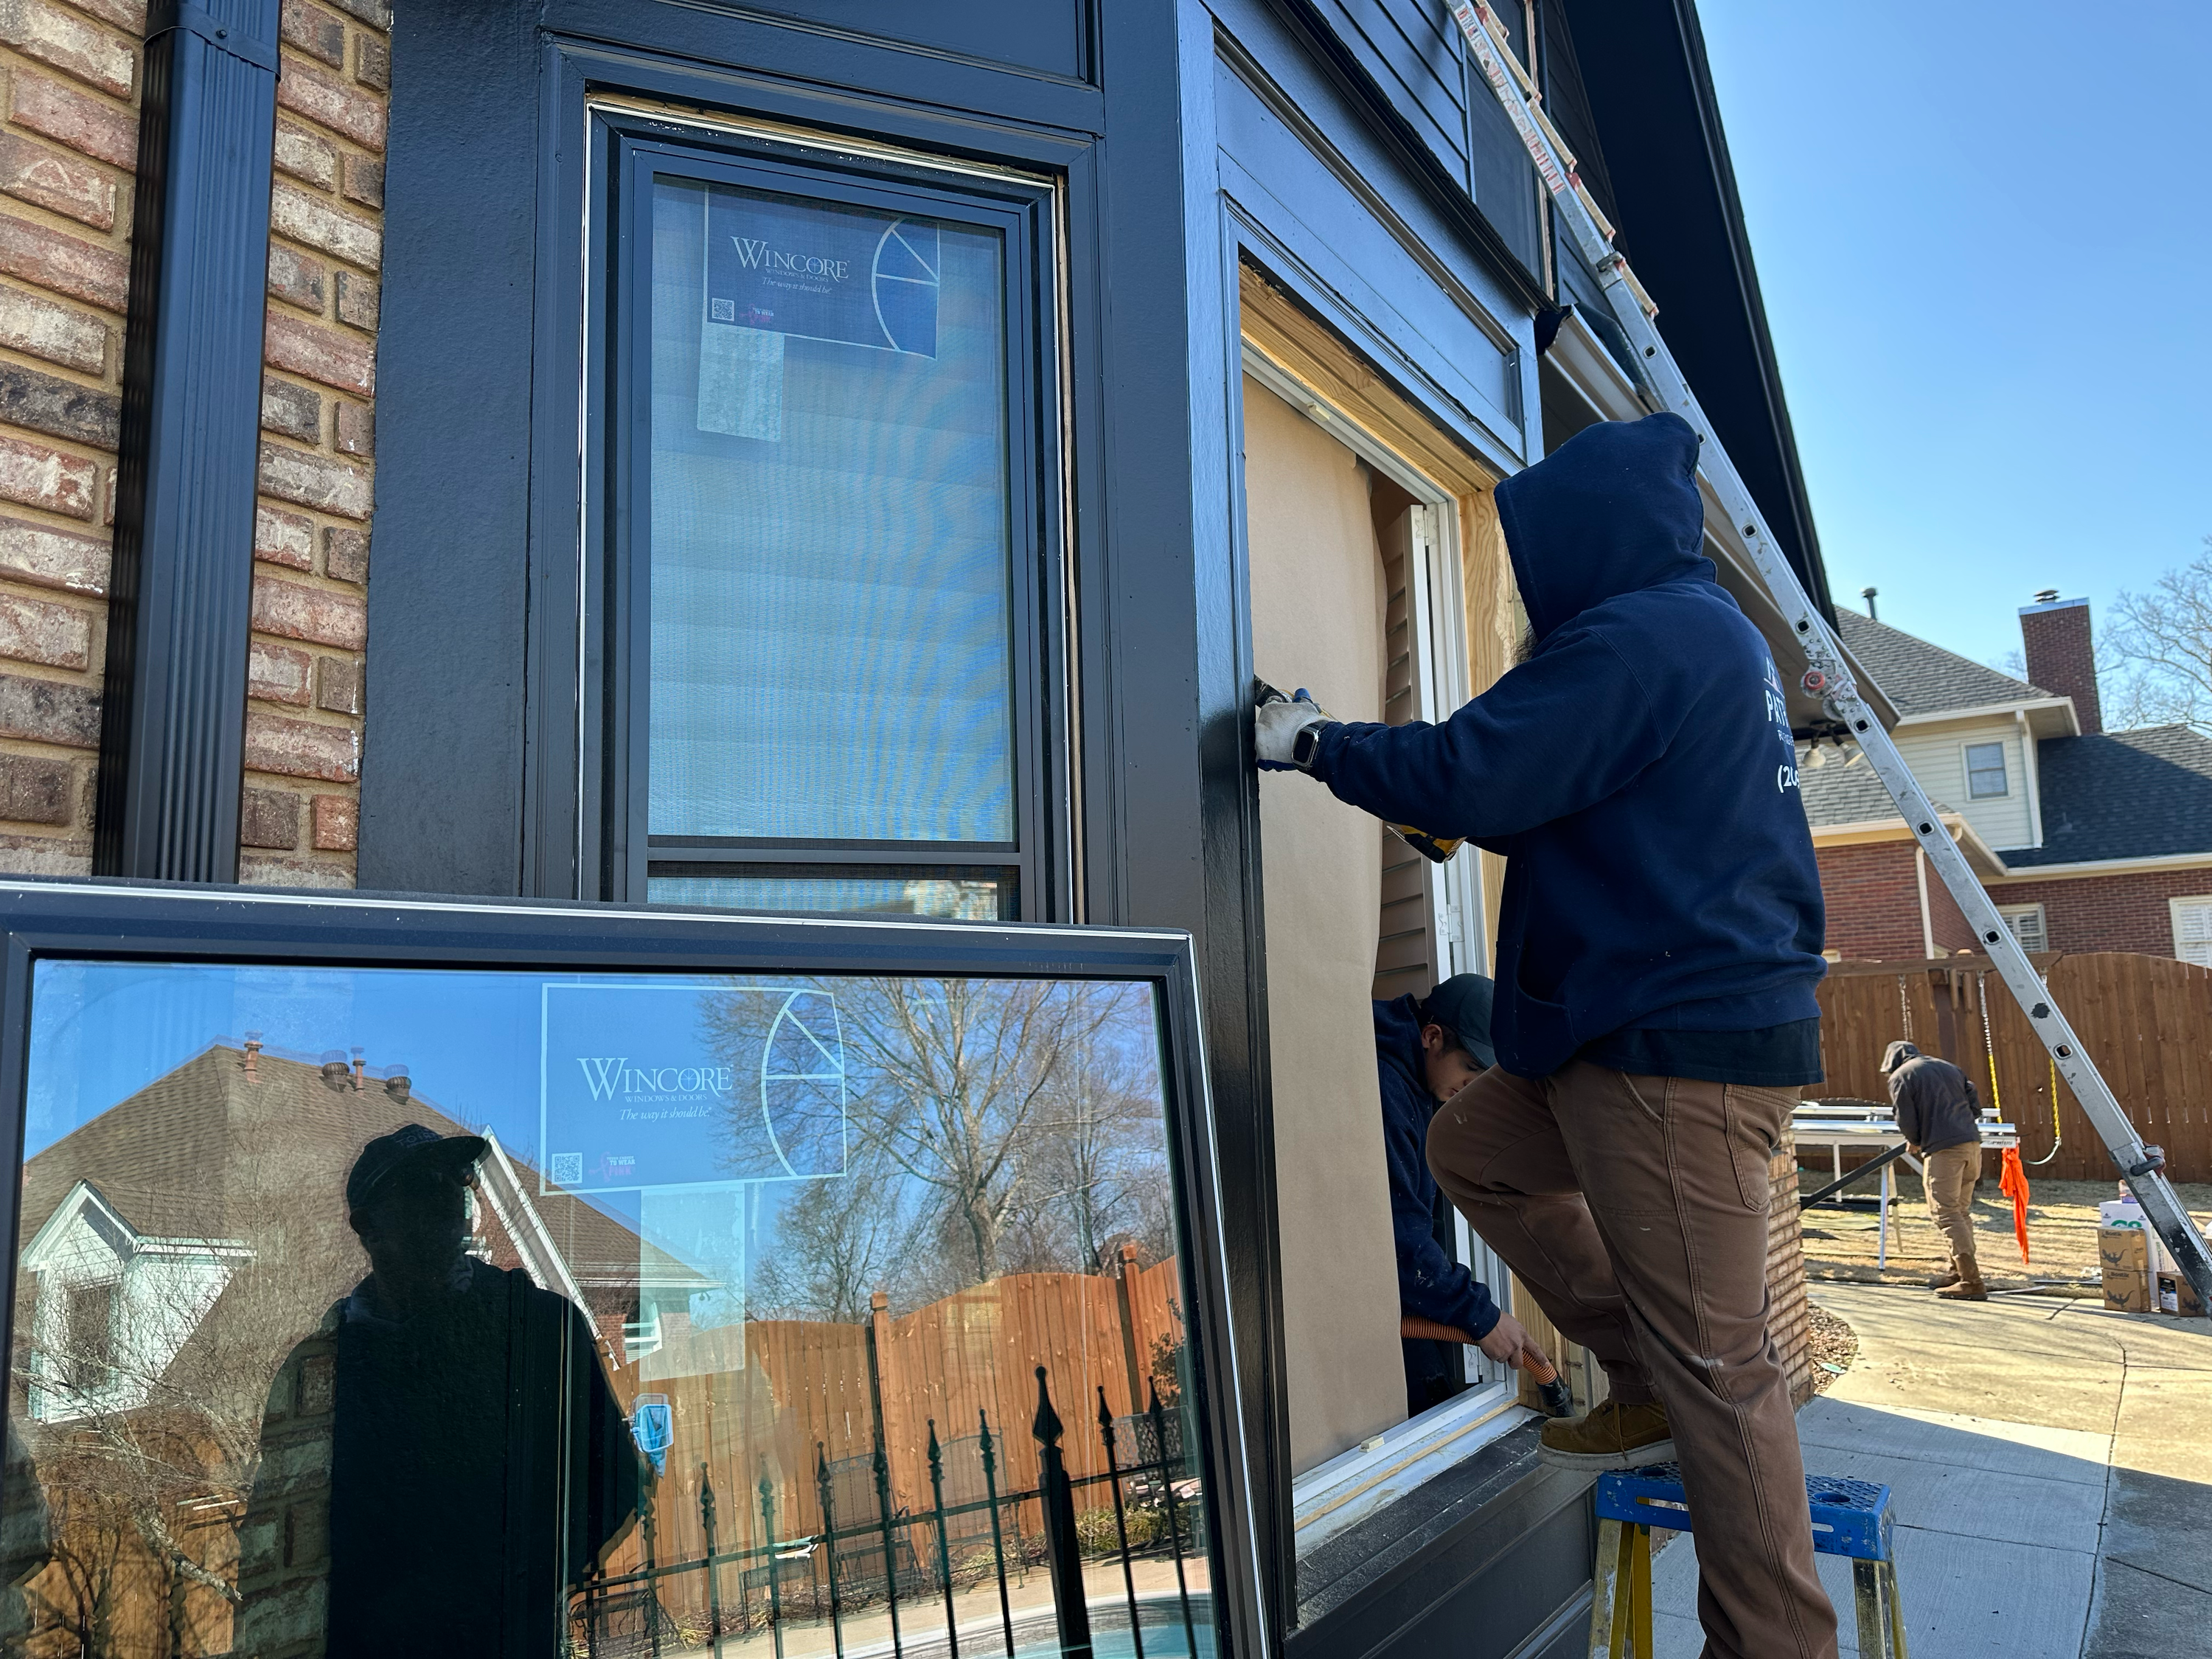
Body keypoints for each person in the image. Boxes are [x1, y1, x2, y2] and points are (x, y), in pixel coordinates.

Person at [1256, 412, 1837, 1659]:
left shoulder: (1640, 637)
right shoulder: (1700, 635)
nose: (1529, 590)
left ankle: (1777, 1642)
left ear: (1590, 538)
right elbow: (1519, 797)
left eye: (1540, 556)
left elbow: (1476, 771)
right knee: (1476, 1148)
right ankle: (1638, 1380)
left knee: (1723, 1369)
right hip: (1631, 1034)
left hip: (1669, 1050)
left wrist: (1316, 745)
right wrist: (1410, 782)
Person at [234, 1125, 642, 1658]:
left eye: (455, 1181)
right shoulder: (328, 1362)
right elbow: (283, 1523)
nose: (449, 1200)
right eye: (421, 1187)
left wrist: (516, 1585)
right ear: (369, 1228)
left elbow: (614, 1482)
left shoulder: (539, 1329)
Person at [1376, 973, 1544, 1414]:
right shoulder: (1386, 1090)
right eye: (1470, 1067)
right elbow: (1397, 1238)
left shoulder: (1421, 1086)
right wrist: (1481, 1316)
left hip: (1392, 1297)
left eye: (1485, 1077)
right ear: (1432, 1037)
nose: (1473, 1088)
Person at [1880, 1040, 1986, 1299]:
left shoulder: (1901, 1076)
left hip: (1944, 1150)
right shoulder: (1950, 1067)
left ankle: (1972, 1282)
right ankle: (1957, 1273)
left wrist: (1915, 1139)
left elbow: (1905, 1116)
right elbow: (1974, 1103)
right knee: (1960, 1212)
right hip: (1972, 1144)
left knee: (1946, 1213)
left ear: (1892, 1061)